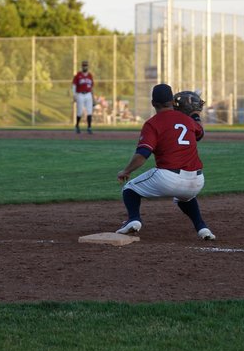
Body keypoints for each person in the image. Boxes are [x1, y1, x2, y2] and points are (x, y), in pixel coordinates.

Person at [115, 84, 215, 241]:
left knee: (130, 189)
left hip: (168, 177)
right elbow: (200, 134)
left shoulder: (152, 123)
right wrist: (195, 115)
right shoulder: (187, 121)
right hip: (197, 180)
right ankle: (202, 228)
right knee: (185, 197)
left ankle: (134, 219)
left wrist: (126, 171)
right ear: (172, 101)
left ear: (153, 103)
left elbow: (142, 155)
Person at [72, 60, 94, 134]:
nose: (85, 67)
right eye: (84, 65)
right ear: (82, 66)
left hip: (88, 94)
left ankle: (89, 127)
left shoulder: (90, 75)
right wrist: (74, 95)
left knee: (89, 111)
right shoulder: (78, 75)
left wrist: (93, 97)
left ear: (88, 66)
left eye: (86, 65)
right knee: (79, 112)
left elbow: (92, 87)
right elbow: (74, 86)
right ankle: (77, 125)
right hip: (80, 94)